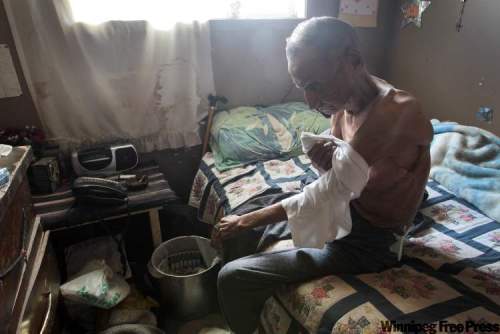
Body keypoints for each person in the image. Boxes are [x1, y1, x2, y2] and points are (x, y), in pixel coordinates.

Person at [211, 17, 433, 334]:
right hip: (346, 210)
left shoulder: (395, 111)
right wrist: (325, 165)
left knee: (233, 275)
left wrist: (250, 220)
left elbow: (330, 191)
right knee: (240, 218)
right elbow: (341, 177)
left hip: (370, 242)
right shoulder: (343, 105)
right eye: (303, 88)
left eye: (316, 85)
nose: (311, 102)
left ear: (353, 61)